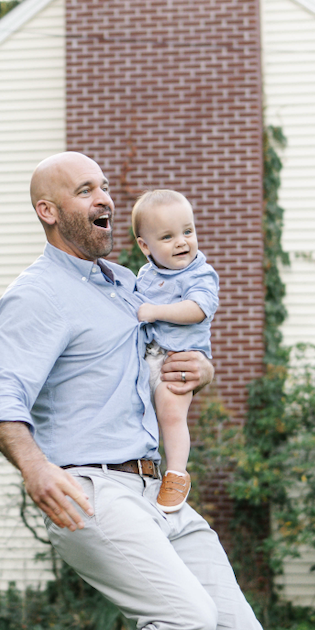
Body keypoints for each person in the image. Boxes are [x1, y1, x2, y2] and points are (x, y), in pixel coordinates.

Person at [0, 152, 266, 630]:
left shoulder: (127, 285)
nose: (106, 197)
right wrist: (36, 468)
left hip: (156, 489)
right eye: (86, 190)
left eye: (106, 186)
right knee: (187, 618)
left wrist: (203, 368)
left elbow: (172, 353)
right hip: (89, 486)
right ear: (50, 211)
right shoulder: (37, 293)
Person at [131, 187, 221, 515]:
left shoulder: (199, 273)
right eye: (168, 237)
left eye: (188, 231)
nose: (182, 242)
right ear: (145, 246)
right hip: (149, 356)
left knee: (171, 414)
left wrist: (155, 311)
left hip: (178, 359)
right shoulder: (146, 274)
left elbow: (198, 308)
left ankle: (177, 472)